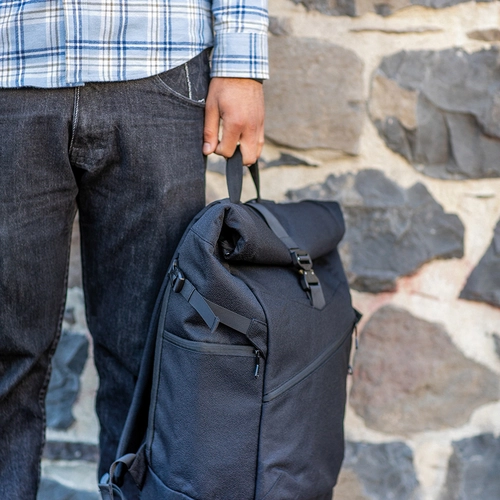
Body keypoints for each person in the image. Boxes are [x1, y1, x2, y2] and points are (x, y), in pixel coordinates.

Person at [0, 1, 268, 498]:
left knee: (148, 360)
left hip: (158, 65)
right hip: (12, 65)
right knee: (5, 354)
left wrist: (241, 63)